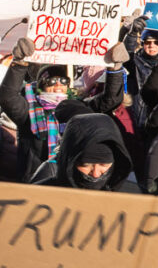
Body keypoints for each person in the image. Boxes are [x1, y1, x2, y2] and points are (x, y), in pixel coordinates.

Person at [0, 37, 126, 180]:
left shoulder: (78, 107)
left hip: (69, 179)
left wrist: (115, 68)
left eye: (63, 81)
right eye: (52, 81)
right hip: (35, 180)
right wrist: (19, 63)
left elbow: (111, 100)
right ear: (41, 86)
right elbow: (7, 97)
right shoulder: (29, 110)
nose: (58, 85)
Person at [35, 112, 138, 192]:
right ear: (70, 160)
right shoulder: (39, 194)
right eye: (86, 165)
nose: (96, 174)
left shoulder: (133, 196)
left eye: (104, 164)